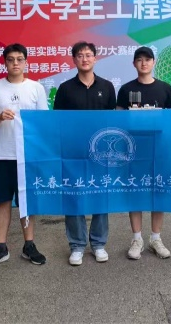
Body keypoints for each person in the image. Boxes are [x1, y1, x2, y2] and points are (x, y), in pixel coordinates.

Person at [0, 43, 49, 270]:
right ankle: (1, 247)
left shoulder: (36, 88)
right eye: (11, 60)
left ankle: (29, 245)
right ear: (5, 63)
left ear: (26, 62)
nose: (15, 63)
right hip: (1, 154)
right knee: (3, 201)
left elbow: (43, 124)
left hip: (27, 155)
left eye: (19, 59)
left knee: (27, 202)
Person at [53, 41, 117, 266]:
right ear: (74, 60)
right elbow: (58, 121)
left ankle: (99, 243)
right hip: (73, 152)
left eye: (88, 55)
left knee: (101, 195)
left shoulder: (107, 86)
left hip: (101, 152)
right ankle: (77, 245)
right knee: (74, 196)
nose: (85, 59)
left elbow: (112, 120)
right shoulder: (65, 88)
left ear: (95, 58)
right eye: (80, 55)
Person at [116, 46, 171, 260]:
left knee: (158, 190)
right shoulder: (126, 89)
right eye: (139, 59)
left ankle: (156, 238)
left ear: (154, 62)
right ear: (134, 63)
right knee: (135, 190)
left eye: (148, 59)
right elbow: (118, 120)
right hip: (133, 149)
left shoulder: (165, 88)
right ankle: (137, 239)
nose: (144, 63)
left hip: (159, 148)